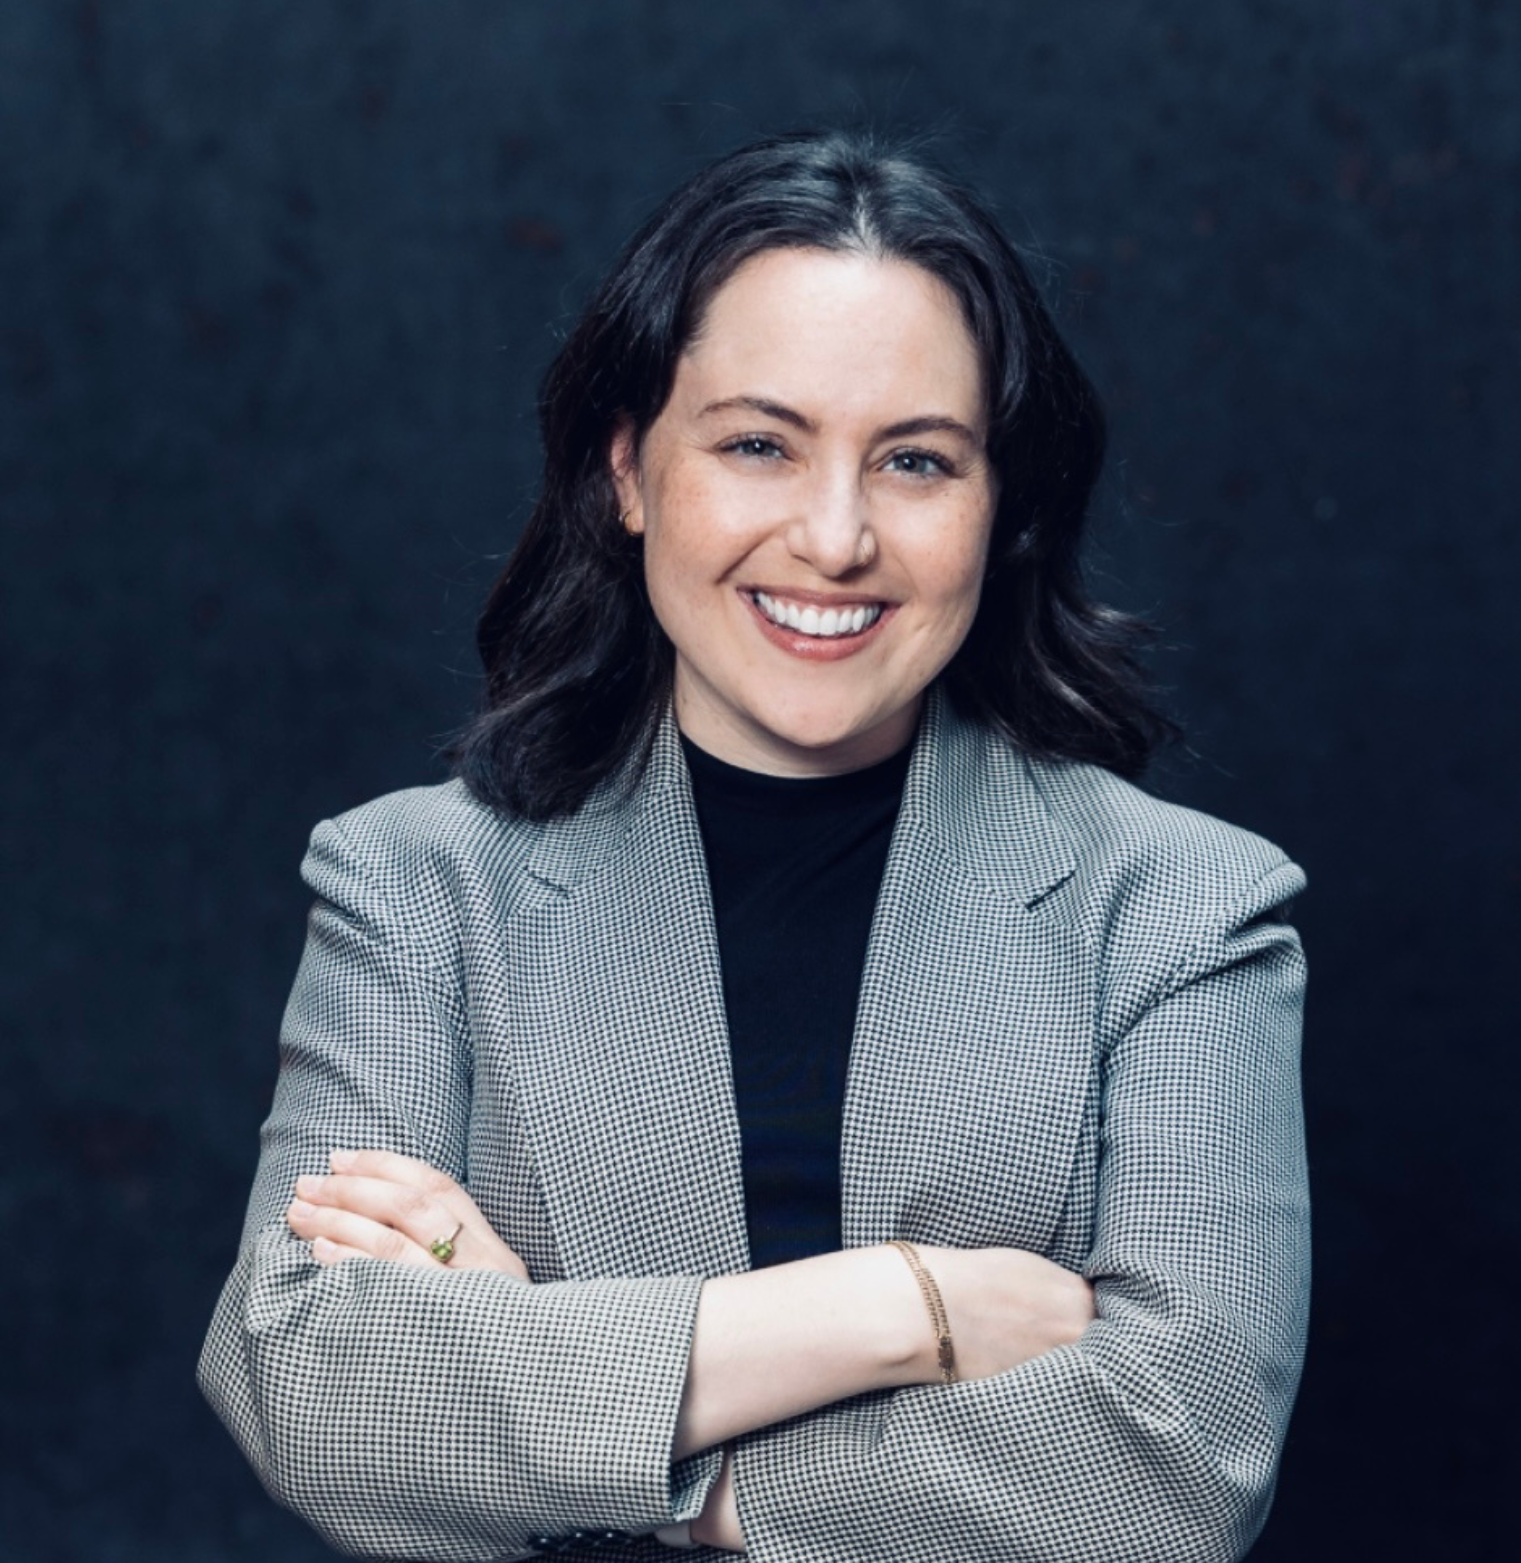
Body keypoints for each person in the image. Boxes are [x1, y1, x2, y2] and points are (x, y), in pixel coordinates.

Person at [199, 127, 1310, 1562]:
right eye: (756, 444)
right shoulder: (414, 886)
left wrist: (624, 1434)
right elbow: (309, 1385)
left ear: (1000, 506)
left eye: (915, 459)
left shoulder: (1183, 909)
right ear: (629, 470)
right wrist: (906, 1307)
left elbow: (1177, 1460)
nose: (833, 536)